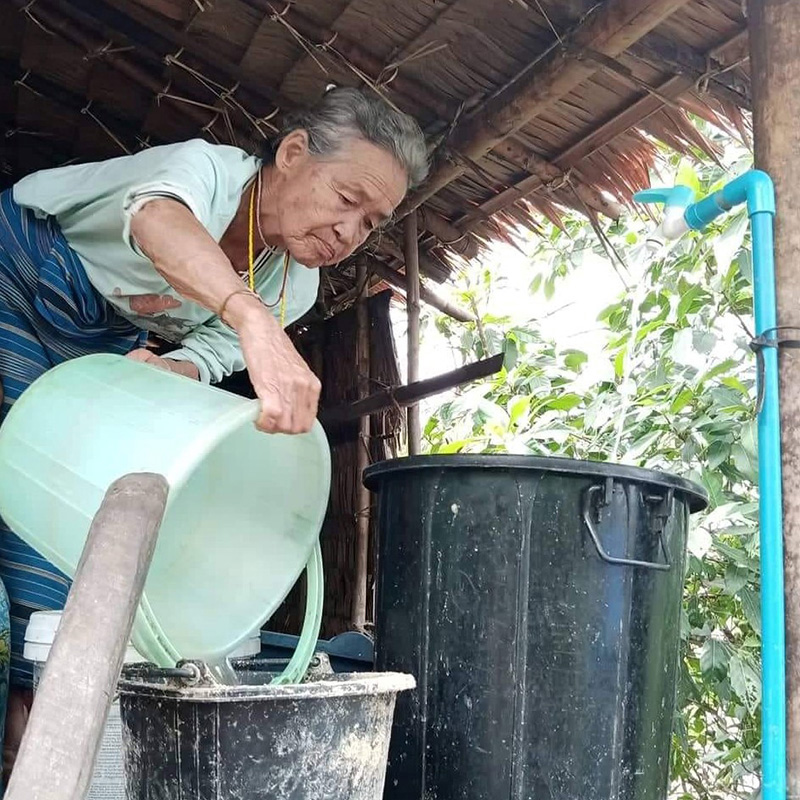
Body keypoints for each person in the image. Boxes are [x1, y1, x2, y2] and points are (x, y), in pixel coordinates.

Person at [0, 86, 428, 775]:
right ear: (292, 153)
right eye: (348, 199)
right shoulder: (204, 173)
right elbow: (156, 222)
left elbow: (196, 362)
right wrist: (248, 315)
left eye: (372, 223)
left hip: (96, 352)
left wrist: (165, 371)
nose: (351, 233)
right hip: (14, 270)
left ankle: (30, 753)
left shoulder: (298, 287)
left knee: (57, 548)